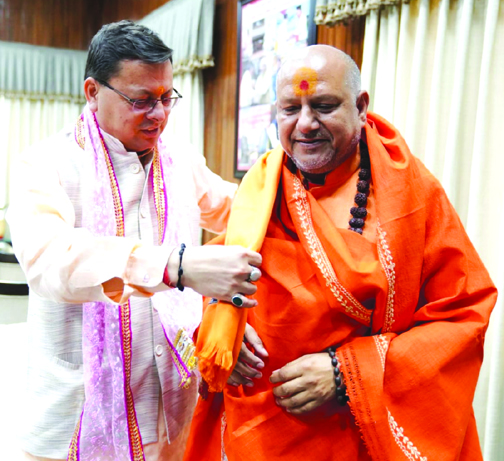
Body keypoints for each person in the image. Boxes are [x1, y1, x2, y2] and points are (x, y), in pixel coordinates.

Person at [183, 45, 497, 460]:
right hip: (265, 433)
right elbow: (218, 279)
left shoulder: (411, 194)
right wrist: (224, 324)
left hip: (363, 433)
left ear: (361, 107)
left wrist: (345, 373)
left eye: (324, 106)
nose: (305, 124)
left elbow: (463, 313)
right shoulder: (262, 189)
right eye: (290, 109)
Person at [7, 20, 262, 461]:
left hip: (170, 402)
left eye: (166, 98)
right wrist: (174, 267)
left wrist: (291, 185)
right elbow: (50, 261)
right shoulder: (46, 164)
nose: (159, 114)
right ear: (93, 92)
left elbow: (238, 209)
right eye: (142, 100)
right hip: (74, 415)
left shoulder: (179, 160)